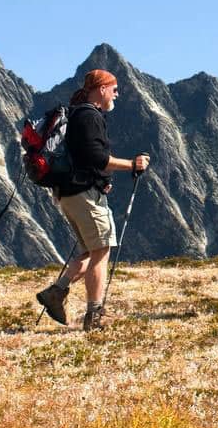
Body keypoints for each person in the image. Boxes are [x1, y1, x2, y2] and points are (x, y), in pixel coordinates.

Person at [36, 69, 149, 331]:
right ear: (101, 89)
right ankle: (94, 315)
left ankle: (56, 293)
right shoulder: (89, 116)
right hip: (83, 195)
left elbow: (85, 160)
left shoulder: (77, 114)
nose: (117, 94)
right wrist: (132, 164)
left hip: (70, 194)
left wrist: (100, 180)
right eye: (114, 88)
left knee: (91, 252)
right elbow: (97, 158)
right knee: (101, 253)